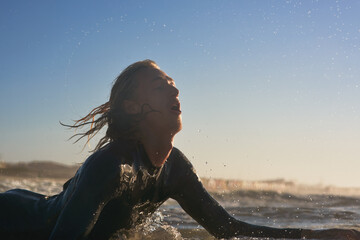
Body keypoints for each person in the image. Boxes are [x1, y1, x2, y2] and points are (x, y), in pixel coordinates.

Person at [0, 60, 359, 240]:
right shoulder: (110, 168)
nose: (175, 92)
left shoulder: (175, 169)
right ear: (132, 107)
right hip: (15, 218)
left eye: (173, 84)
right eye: (161, 86)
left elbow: (229, 230)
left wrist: (323, 235)